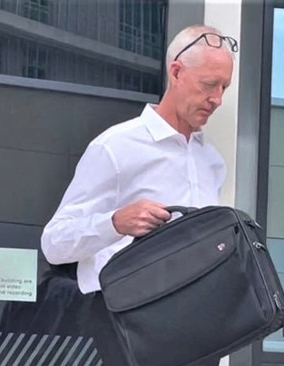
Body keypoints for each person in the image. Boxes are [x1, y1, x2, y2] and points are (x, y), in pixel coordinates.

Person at [41, 24, 237, 366]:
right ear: (176, 72)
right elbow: (54, 244)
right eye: (209, 85)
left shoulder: (212, 162)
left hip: (194, 336)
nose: (217, 99)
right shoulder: (116, 147)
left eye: (224, 87)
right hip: (121, 332)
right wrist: (116, 222)